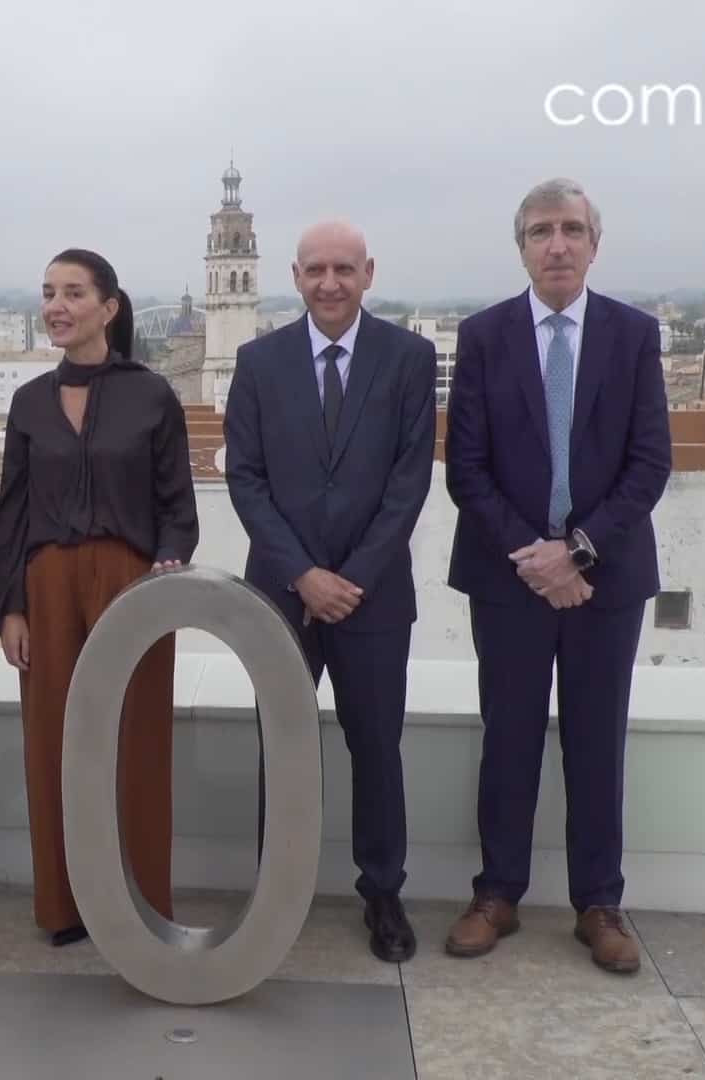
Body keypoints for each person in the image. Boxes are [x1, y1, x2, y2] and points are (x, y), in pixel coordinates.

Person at [442, 178, 672, 974]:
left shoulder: (634, 334)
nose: (558, 244)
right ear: (522, 247)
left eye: (572, 229)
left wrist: (575, 550)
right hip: (509, 578)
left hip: (605, 580)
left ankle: (598, 904)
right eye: (542, 231)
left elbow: (650, 464)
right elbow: (466, 471)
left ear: (594, 244)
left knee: (596, 739)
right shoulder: (483, 336)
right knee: (506, 736)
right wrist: (536, 558)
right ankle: (496, 895)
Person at [223, 220, 439, 963]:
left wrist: (351, 579)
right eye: (315, 269)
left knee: (376, 746)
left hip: (373, 597)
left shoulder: (409, 358)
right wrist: (304, 574)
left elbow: (411, 481)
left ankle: (383, 892)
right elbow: (245, 479)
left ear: (368, 273)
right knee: (280, 745)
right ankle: (273, 895)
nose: (329, 283)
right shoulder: (258, 362)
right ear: (295, 275)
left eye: (344, 268)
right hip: (282, 596)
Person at [0, 248, 197, 946]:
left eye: (73, 292)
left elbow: (177, 504)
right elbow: (10, 513)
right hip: (46, 587)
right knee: (52, 742)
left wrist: (168, 567)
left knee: (138, 742)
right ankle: (64, 906)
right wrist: (10, 607)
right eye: (48, 291)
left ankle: (139, 903)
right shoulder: (27, 401)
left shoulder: (151, 394)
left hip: (133, 585)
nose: (57, 305)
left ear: (108, 307)